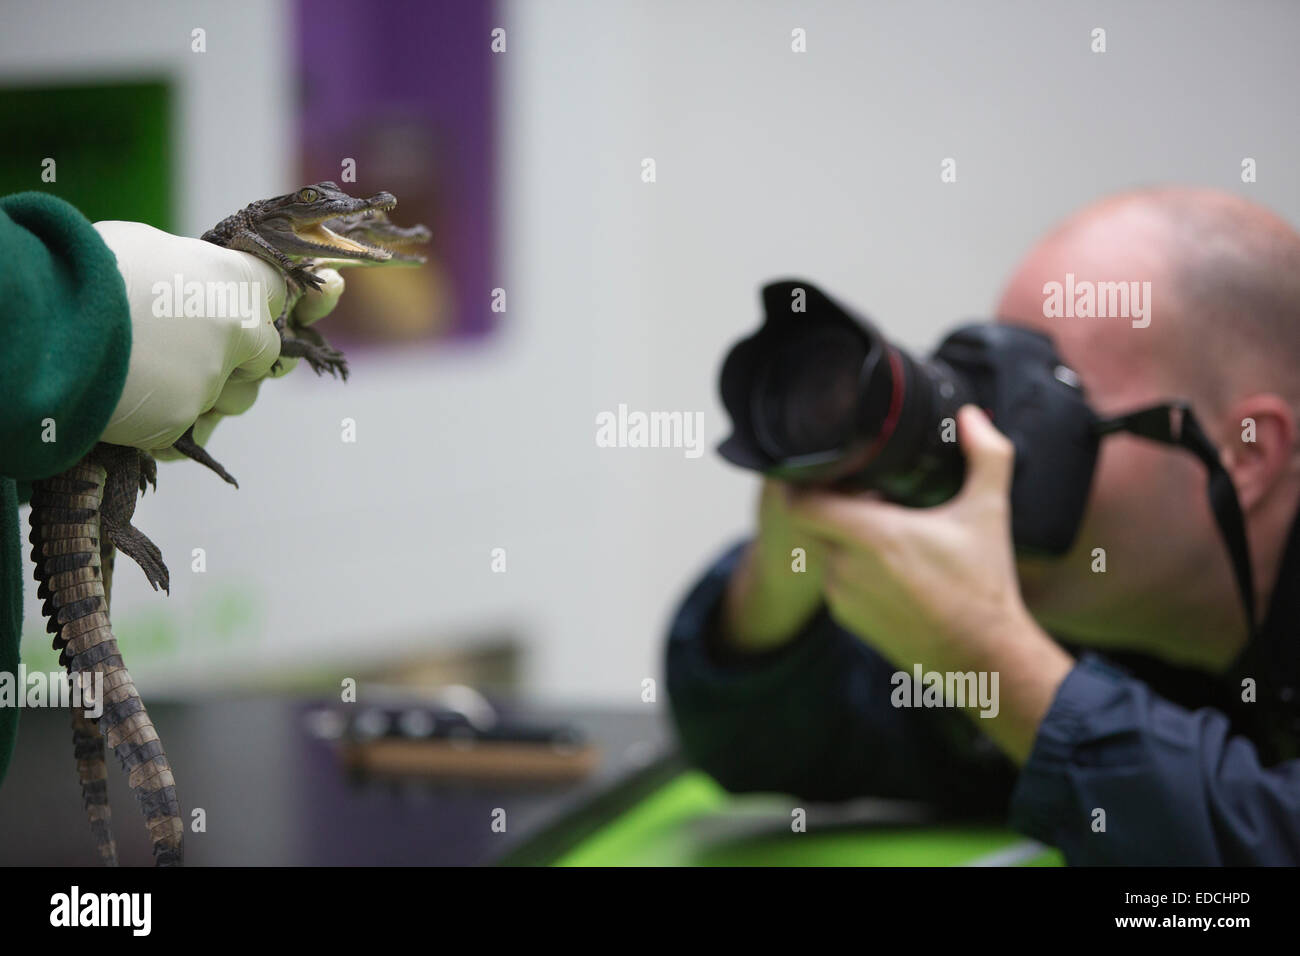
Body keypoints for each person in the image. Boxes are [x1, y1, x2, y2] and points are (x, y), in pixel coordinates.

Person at [666, 187, 1300, 865]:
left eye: (1050, 407)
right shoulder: (1108, 629)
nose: (993, 446)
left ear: (1245, 455)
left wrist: (993, 659)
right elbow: (758, 743)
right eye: (995, 386)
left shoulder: (1048, 632)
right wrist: (785, 578)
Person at [0, 191, 343, 785]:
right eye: (312, 200)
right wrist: (70, 312)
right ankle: (115, 524)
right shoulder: (220, 264)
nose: (335, 204)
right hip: (97, 458)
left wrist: (37, 415)